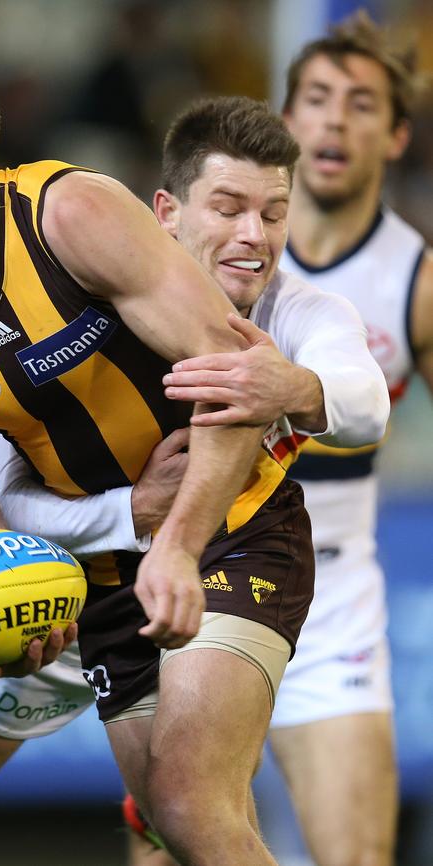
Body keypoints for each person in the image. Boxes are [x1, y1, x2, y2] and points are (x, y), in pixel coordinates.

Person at [0, 51, 387, 866]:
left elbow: (234, 384)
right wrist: (4, 617)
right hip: (90, 583)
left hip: (232, 535)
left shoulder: (72, 215)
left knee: (188, 805)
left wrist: (173, 542)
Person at [140, 11, 433, 866]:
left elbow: (362, 397)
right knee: (181, 832)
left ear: (396, 135)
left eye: (360, 105)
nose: (335, 120)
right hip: (186, 562)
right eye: (316, 100)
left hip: (330, 580)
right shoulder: (194, 256)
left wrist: (297, 389)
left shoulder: (408, 284)